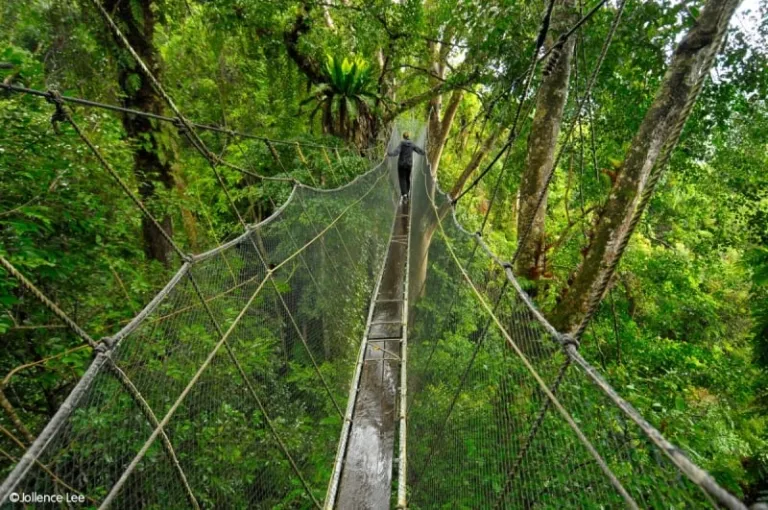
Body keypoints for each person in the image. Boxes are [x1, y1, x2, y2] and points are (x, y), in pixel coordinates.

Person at [387, 132, 425, 199]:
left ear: (403, 137)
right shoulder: (412, 144)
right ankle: (407, 193)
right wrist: (425, 152)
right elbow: (418, 150)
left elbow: (396, 152)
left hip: (401, 164)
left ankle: (404, 194)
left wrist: (389, 153)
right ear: (409, 137)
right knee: (407, 178)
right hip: (409, 164)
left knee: (402, 178)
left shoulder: (401, 144)